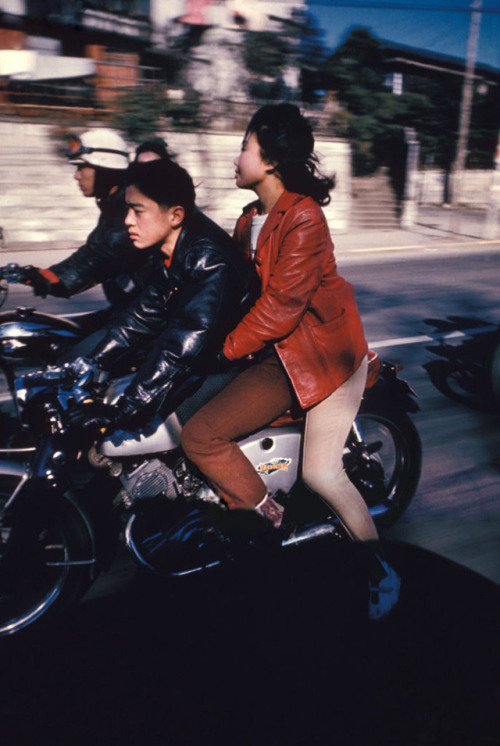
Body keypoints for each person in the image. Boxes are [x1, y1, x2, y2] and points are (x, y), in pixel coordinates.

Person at [181, 103, 401, 621]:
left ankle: (379, 569)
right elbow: (230, 293)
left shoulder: (303, 216)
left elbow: (282, 308)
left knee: (322, 473)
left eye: (245, 146)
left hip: (321, 358)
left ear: (272, 159)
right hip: (274, 353)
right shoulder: (250, 219)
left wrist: (222, 349)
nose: (236, 157)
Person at [68, 157, 257, 432]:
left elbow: (183, 345)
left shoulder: (208, 258)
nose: (127, 221)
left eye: (137, 211)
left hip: (230, 367)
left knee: (187, 436)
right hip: (200, 360)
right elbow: (140, 316)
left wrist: (125, 410)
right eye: (126, 209)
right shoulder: (169, 250)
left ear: (175, 215)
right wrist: (91, 362)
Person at [21, 130, 170, 310]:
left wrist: (53, 281)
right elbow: (90, 251)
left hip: (154, 317)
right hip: (129, 307)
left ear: (105, 169)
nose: (76, 176)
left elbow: (103, 258)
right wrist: (40, 274)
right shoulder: (111, 205)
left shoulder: (131, 207)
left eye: (81, 167)